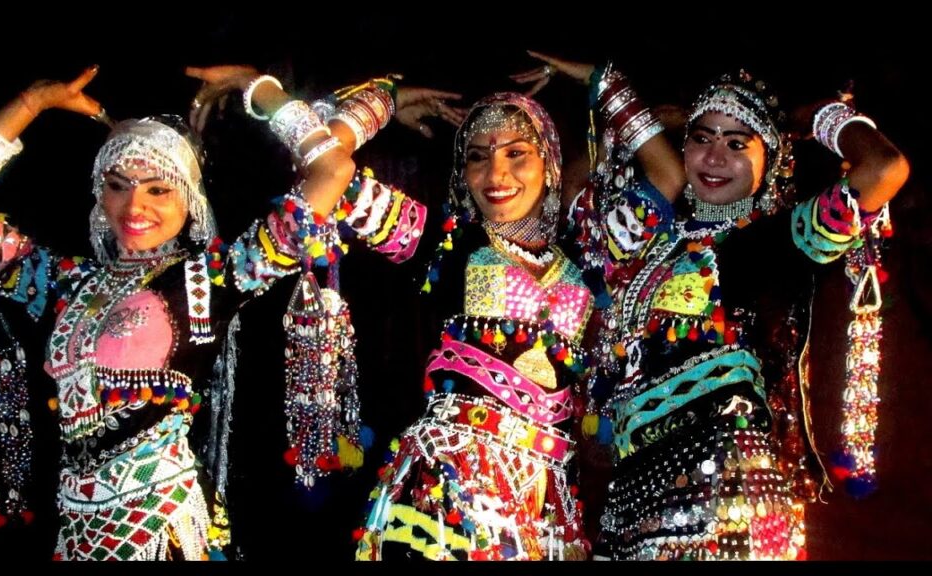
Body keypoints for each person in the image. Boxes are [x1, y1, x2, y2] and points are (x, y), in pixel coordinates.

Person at [0, 64, 356, 560]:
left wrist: (257, 89)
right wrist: (31, 104)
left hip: (160, 523)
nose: (134, 206)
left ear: (189, 199)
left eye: (158, 189)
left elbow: (332, 171)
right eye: (118, 185)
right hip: (77, 526)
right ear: (97, 193)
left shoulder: (210, 280)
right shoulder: (64, 282)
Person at [514, 53, 909, 559]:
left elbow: (883, 169)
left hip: (726, 500)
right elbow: (575, 198)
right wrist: (618, 98)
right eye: (702, 138)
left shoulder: (771, 245)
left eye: (737, 143)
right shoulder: (649, 241)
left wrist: (818, 118)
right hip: (632, 504)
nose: (715, 157)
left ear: (772, 162)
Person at [339, 91, 595, 561]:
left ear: (550, 161)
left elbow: (667, 177)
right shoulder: (443, 241)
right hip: (452, 484)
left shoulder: (586, 258)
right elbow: (329, 172)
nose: (496, 175)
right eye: (478, 157)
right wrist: (384, 99)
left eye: (516, 154)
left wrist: (604, 83)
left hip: (547, 497)